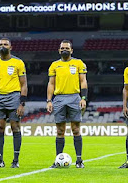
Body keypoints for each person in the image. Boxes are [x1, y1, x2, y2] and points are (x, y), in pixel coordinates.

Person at [0, 38, 28, 168]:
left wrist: (22, 103)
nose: (2, 46)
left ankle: (15, 160)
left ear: (11, 47)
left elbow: (24, 84)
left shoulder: (18, 62)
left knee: (15, 127)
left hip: (14, 97)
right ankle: (0, 160)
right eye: (0, 44)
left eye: (5, 44)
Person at [46, 40, 88, 168]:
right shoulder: (54, 65)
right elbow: (51, 84)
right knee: (60, 131)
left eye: (67, 48)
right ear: (59, 50)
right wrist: (49, 100)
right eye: (62, 48)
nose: (65, 50)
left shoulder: (78, 63)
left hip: (74, 98)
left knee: (76, 129)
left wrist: (83, 98)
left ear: (72, 50)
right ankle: (58, 159)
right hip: (59, 98)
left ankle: (79, 160)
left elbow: (83, 82)